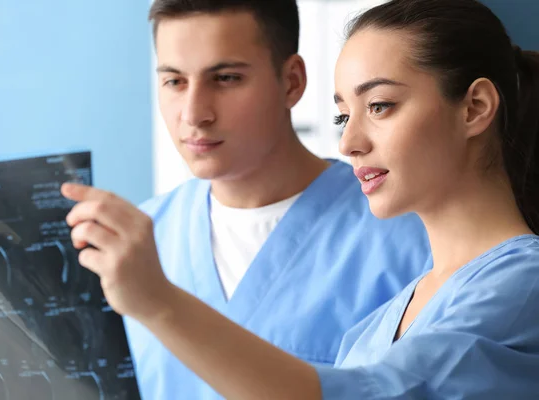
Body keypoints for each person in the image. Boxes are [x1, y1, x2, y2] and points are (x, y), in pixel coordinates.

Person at [63, 0, 539, 396]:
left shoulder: (520, 283)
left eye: (380, 106)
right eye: (342, 116)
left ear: (475, 107)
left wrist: (158, 302)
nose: (348, 141)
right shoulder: (381, 323)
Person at [105, 1, 430, 399]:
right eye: (174, 82)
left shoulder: (407, 237)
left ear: (291, 81)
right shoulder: (135, 246)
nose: (193, 114)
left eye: (225, 78)